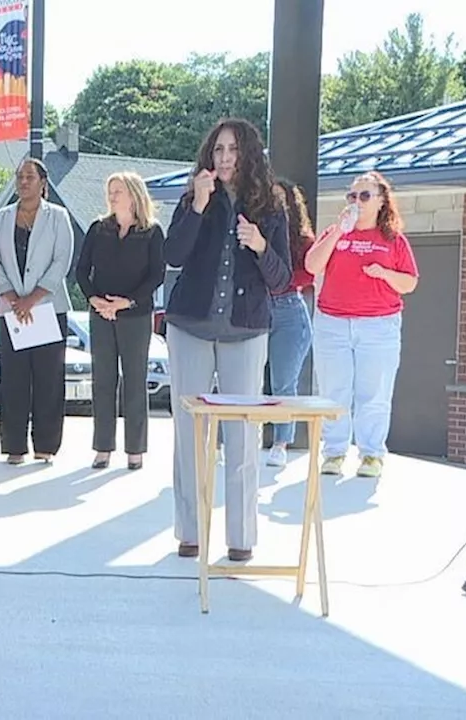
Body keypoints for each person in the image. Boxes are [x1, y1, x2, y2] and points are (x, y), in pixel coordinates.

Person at [163, 118, 291, 563]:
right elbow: (172, 255)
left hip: (245, 329)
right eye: (217, 150)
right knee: (189, 435)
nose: (224, 157)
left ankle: (241, 538)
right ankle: (190, 532)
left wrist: (259, 245)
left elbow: (282, 279)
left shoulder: (271, 206)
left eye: (233, 149)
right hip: (191, 326)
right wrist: (197, 207)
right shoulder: (194, 199)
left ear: (248, 154)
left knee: (242, 436)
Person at [305, 170, 418, 478]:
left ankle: (371, 454)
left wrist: (383, 273)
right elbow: (312, 265)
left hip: (378, 325)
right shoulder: (336, 232)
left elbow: (409, 282)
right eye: (352, 196)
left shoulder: (393, 239)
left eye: (365, 196)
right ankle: (334, 452)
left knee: (374, 391)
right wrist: (338, 233)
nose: (357, 201)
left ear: (381, 202)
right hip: (333, 322)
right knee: (334, 390)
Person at [74, 171, 166, 472]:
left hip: (136, 315)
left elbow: (156, 275)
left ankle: (135, 450)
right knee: (103, 380)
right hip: (101, 314)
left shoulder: (151, 232)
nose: (112, 196)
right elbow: (81, 270)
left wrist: (127, 302)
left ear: (134, 195)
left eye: (118, 191)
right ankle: (103, 447)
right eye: (110, 190)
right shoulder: (98, 229)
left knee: (135, 380)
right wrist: (94, 299)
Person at [0, 158, 73, 464]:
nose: (23, 182)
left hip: (47, 307)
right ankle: (14, 446)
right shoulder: (0, 218)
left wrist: (32, 299)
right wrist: (12, 297)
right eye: (19, 176)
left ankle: (46, 445)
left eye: (29, 176)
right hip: (10, 309)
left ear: (42, 183)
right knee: (13, 378)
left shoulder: (58, 217)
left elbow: (61, 261)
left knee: (48, 379)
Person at [264, 179, 316, 468]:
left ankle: (281, 442)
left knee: (283, 382)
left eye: (280, 200)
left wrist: (277, 277)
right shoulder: (257, 232)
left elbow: (308, 275)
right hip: (256, 308)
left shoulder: (303, 240)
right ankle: (227, 440)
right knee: (240, 378)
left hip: (288, 310)